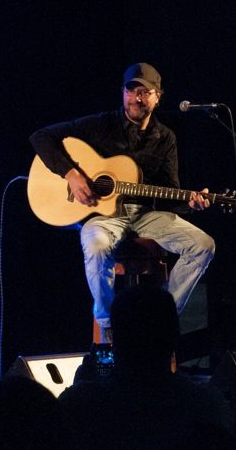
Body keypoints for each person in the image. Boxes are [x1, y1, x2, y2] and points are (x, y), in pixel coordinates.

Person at [29, 62, 215, 342]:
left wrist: (190, 203)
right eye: (131, 90)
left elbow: (171, 193)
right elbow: (41, 137)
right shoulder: (101, 124)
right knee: (95, 244)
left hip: (147, 215)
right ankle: (109, 325)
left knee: (203, 245)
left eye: (145, 92)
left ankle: (161, 318)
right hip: (104, 217)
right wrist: (72, 175)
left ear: (158, 96)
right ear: (123, 92)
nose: (137, 98)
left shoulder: (165, 138)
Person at [58, 286, 235, 449]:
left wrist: (80, 387)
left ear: (114, 339)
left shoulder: (81, 404)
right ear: (175, 335)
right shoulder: (205, 406)